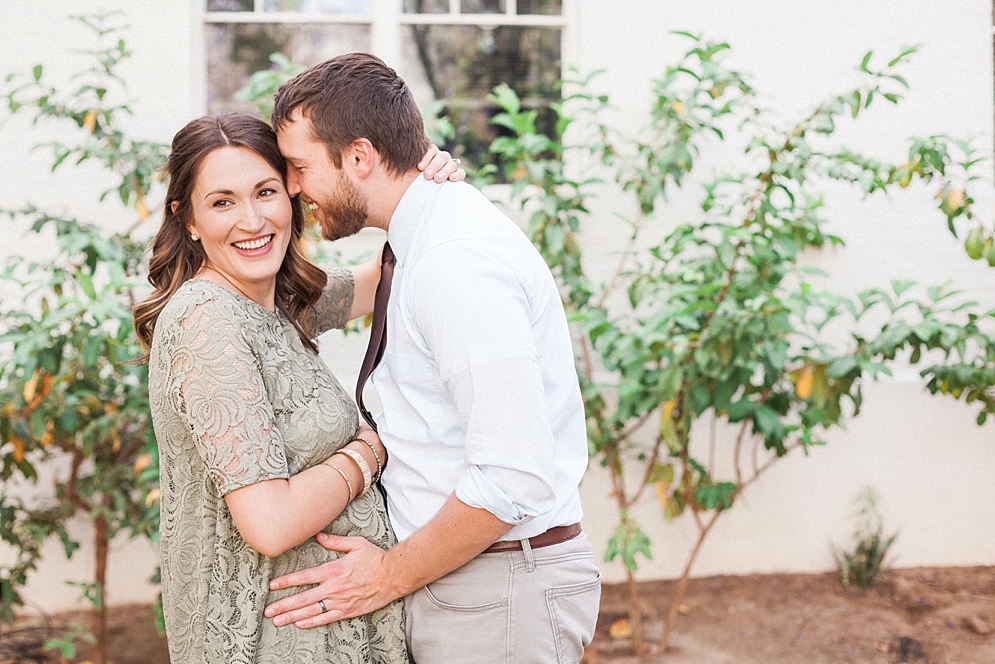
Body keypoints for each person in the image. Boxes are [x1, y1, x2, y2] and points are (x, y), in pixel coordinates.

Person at [263, 53, 602, 663]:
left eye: (298, 166)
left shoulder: (455, 260)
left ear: (360, 158)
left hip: (500, 597)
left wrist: (388, 574)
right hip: (472, 586)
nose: (291, 187)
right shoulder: (419, 237)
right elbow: (313, 304)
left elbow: (511, 473)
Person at [134, 112, 463, 663]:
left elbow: (384, 275)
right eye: (222, 202)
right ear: (187, 218)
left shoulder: (277, 300)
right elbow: (270, 522)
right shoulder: (207, 320)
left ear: (293, 194)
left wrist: (423, 180)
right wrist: (371, 450)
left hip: (327, 627)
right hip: (269, 638)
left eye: (266, 192)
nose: (252, 219)